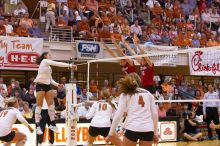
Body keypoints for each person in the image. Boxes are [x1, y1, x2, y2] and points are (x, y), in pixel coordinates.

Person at [106, 75, 159, 146]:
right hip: (148, 129)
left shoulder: (125, 94)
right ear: (139, 81)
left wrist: (110, 133)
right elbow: (155, 115)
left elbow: (118, 115)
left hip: (132, 128)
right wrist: (155, 133)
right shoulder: (148, 94)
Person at [34, 52, 77, 135]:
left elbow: (50, 79)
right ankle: (37, 126)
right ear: (45, 56)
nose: (50, 56)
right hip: (40, 85)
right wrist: (70, 65)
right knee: (39, 106)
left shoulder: (49, 67)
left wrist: (57, 84)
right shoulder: (44, 61)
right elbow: (57, 63)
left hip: (48, 86)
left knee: (51, 106)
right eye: (49, 55)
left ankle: (53, 125)